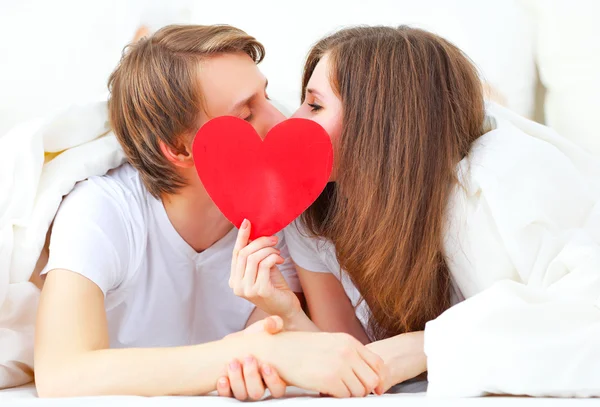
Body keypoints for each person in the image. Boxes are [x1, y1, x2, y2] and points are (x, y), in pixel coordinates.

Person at [225, 25, 600, 398]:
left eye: (316, 105)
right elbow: (360, 369)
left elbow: (585, 324)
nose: (290, 121)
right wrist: (288, 312)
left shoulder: (504, 174)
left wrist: (426, 346)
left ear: (381, 121)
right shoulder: (317, 209)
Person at [34, 24, 386, 399]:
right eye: (247, 114)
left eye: (266, 97)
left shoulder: (284, 219)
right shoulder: (103, 210)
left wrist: (266, 349)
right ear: (179, 149)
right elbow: (61, 373)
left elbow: (303, 352)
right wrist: (244, 353)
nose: (282, 121)